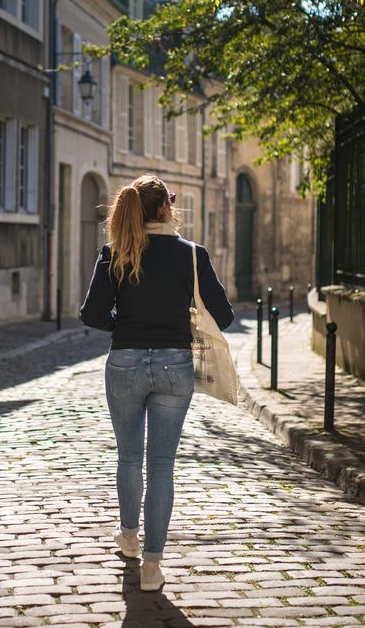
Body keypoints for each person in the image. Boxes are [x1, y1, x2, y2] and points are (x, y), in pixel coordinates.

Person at [80, 174, 234, 591]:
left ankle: (128, 536)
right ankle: (152, 566)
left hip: (125, 360)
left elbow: (91, 314)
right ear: (165, 208)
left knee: (129, 458)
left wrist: (123, 324)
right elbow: (225, 315)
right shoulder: (191, 255)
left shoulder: (114, 253)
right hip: (174, 364)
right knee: (161, 464)